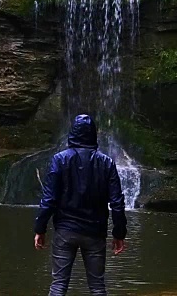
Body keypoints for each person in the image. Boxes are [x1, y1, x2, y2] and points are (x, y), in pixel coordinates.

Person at [33, 114, 127, 296]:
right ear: (93, 135)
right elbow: (117, 202)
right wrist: (119, 233)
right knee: (98, 287)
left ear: (72, 134)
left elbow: (49, 199)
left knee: (58, 285)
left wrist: (40, 229)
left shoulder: (59, 160)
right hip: (95, 232)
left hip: (65, 231)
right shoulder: (106, 162)